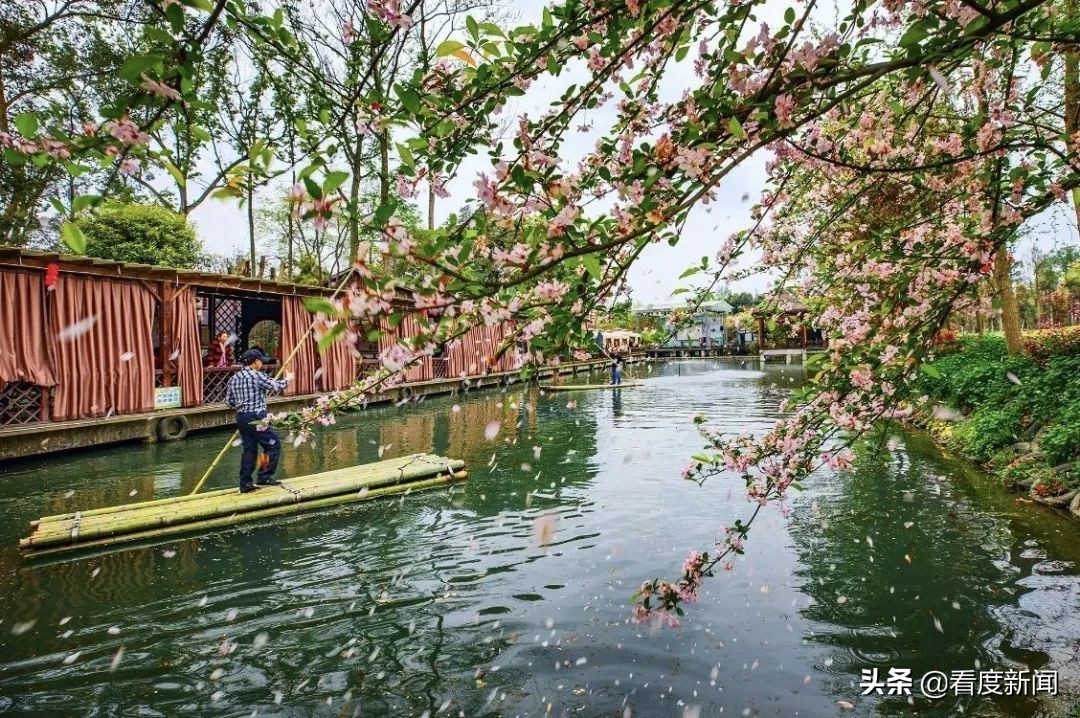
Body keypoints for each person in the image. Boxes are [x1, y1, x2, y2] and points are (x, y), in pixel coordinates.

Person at [225, 348, 291, 493]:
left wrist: (243, 405)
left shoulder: (234, 378)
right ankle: (264, 476)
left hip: (242, 417)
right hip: (257, 417)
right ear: (255, 362)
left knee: (249, 451)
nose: (262, 364)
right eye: (261, 361)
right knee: (272, 445)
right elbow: (276, 386)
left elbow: (229, 402)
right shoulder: (256, 376)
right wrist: (288, 379)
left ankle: (245, 484)